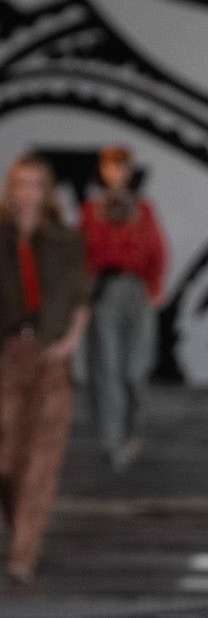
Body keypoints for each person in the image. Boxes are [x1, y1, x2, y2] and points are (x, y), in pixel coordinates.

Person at [0, 154, 89, 588]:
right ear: (11, 188)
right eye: (22, 183)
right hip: (7, 354)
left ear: (47, 190)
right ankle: (20, 530)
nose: (28, 192)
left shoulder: (65, 241)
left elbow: (80, 299)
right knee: (7, 461)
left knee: (42, 459)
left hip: (51, 356)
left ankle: (23, 553)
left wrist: (69, 343)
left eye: (36, 184)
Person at [80, 143, 166, 470]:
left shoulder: (142, 208)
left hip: (136, 290)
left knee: (134, 368)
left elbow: (156, 249)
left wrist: (154, 287)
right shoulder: (91, 209)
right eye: (110, 166)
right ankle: (111, 442)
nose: (116, 172)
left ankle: (131, 431)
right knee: (107, 368)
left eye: (121, 166)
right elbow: (83, 252)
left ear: (130, 171)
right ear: (102, 170)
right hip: (104, 290)